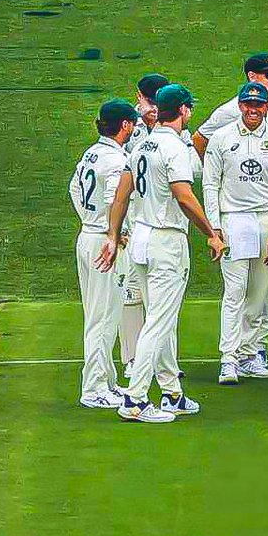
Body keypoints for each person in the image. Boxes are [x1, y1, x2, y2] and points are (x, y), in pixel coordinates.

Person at [97, 84, 225, 423]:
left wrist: (112, 235)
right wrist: (211, 234)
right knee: (159, 321)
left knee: (158, 318)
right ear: (183, 110)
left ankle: (171, 392)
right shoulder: (175, 148)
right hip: (166, 241)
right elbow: (183, 196)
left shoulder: (141, 144)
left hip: (140, 238)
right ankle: (136, 399)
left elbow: (121, 195)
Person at [192, 52, 268, 370]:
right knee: (242, 287)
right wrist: (224, 177)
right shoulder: (228, 115)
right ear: (251, 77)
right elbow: (200, 141)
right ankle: (245, 351)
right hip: (239, 213)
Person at [202, 81, 268, 384]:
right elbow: (210, 184)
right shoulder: (222, 138)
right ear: (240, 105)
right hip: (234, 221)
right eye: (248, 104)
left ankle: (250, 354)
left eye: (259, 105)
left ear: (267, 107)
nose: (253, 110)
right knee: (235, 292)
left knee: (258, 293)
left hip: (266, 219)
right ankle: (228, 359)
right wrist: (214, 228)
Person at [70, 99, 138, 409]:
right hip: (105, 245)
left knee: (99, 315)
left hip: (88, 236)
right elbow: (115, 199)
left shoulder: (92, 153)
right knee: (104, 317)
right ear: (125, 125)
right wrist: (115, 233)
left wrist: (90, 220)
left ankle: (107, 381)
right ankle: (94, 388)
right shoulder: (117, 160)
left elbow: (74, 189)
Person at [120, 74, 169, 373]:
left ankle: (163, 359)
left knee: (163, 293)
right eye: (150, 100)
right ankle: (132, 358)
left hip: (161, 221)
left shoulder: (172, 124)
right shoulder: (128, 125)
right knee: (132, 292)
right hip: (134, 219)